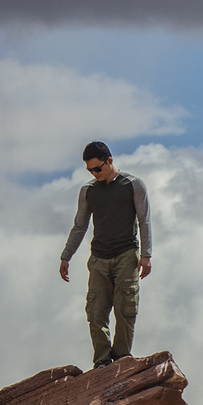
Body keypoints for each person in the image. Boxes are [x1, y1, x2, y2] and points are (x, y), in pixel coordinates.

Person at [59, 141, 152, 369]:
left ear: (109, 161)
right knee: (96, 311)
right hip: (99, 259)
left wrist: (146, 255)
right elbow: (80, 226)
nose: (94, 173)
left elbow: (144, 220)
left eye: (97, 168)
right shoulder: (88, 191)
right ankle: (101, 362)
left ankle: (121, 360)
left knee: (125, 309)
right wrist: (66, 256)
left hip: (127, 255)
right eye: (90, 170)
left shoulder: (133, 185)